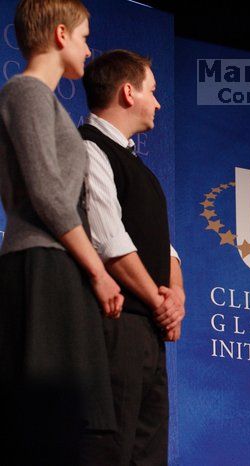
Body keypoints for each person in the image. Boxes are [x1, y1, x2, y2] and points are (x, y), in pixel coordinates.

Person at [0, 0, 123, 463]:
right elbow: (48, 192)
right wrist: (98, 270)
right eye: (85, 37)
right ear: (59, 34)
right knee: (47, 425)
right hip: (41, 266)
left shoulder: (42, 100)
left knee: (76, 427)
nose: (89, 49)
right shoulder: (26, 91)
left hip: (60, 265)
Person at [77, 49, 185, 465]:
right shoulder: (88, 149)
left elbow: (166, 246)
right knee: (109, 448)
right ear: (127, 92)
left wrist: (176, 294)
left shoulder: (140, 168)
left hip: (149, 333)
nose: (157, 102)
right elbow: (109, 241)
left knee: (148, 453)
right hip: (113, 325)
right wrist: (162, 304)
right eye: (152, 91)